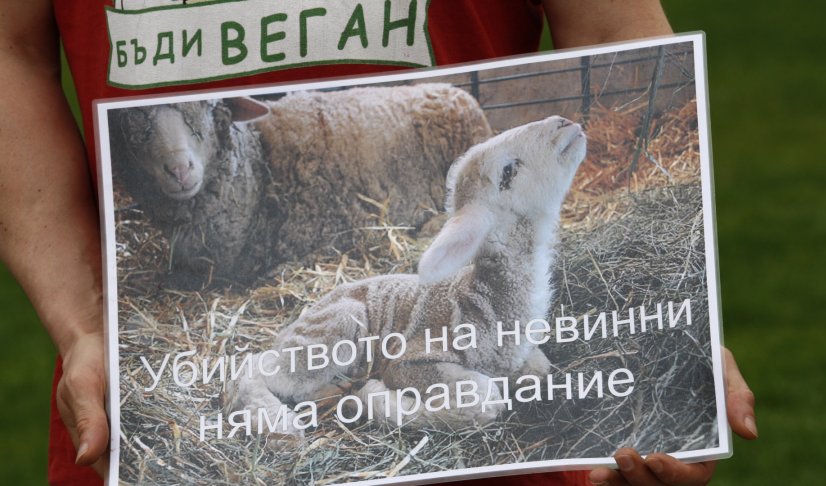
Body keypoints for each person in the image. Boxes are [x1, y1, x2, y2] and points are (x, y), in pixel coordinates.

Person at [0, 1, 757, 485]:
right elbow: (12, 48)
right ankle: (280, 390)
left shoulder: (479, 272)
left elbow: (610, 24)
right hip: (151, 425)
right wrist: (85, 322)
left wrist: (685, 324)